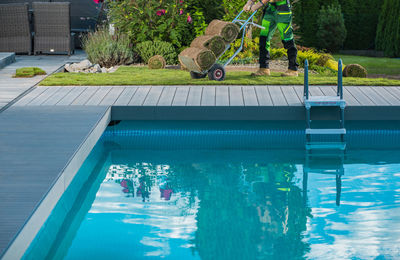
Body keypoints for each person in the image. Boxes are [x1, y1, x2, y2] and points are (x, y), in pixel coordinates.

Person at [243, 0, 299, 77]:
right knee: (264, 38)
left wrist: (257, 5)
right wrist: (249, 3)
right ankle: (264, 69)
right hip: (270, 9)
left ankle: (293, 69)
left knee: (287, 39)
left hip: (282, 9)